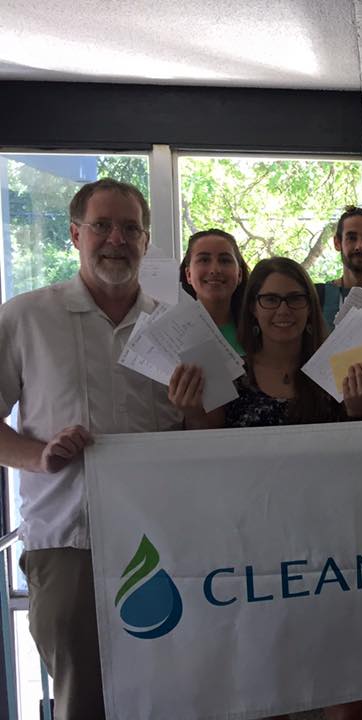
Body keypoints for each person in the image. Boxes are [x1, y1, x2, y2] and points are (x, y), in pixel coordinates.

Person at [0, 178, 181, 719]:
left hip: (165, 544)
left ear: (146, 242)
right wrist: (39, 456)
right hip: (66, 544)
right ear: (75, 234)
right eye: (102, 226)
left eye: (130, 228)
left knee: (170, 691)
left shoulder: (173, 327)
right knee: (83, 700)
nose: (116, 239)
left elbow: (200, 431)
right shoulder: (25, 317)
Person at [169, 257, 362, 720]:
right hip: (252, 553)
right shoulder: (229, 373)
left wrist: (359, 411)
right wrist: (192, 411)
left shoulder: (335, 372)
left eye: (296, 298)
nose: (284, 309)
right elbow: (208, 456)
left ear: (310, 306)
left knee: (343, 681)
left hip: (328, 548)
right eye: (271, 299)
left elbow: (360, 465)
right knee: (263, 683)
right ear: (254, 309)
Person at [179, 228, 250, 354]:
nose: (215, 270)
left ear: (239, 274)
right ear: (188, 274)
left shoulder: (258, 331)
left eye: (225, 261)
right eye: (204, 260)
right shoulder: (171, 334)